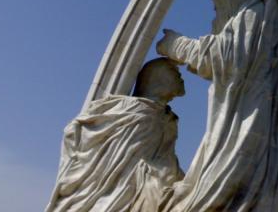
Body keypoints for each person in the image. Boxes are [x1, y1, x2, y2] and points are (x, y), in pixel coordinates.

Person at [157, 0, 278, 211]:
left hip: (244, 126)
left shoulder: (252, 15)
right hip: (250, 120)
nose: (215, 14)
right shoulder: (262, 14)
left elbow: (220, 57)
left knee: (210, 196)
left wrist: (175, 45)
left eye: (216, 6)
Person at [45, 59, 185, 212]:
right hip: (124, 192)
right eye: (174, 72)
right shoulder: (133, 111)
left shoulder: (166, 119)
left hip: (157, 183)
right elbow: (115, 164)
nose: (180, 78)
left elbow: (165, 158)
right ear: (158, 79)